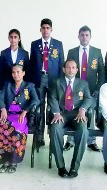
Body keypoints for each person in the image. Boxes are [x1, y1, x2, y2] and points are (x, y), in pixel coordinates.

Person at [0, 64, 40, 173]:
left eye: (18, 72)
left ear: (23, 73)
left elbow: (36, 101)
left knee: (15, 133)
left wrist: (25, 111)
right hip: (8, 115)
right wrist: (3, 108)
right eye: (13, 72)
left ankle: (13, 162)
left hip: (20, 116)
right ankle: (5, 161)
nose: (16, 74)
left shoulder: (29, 86)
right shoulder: (8, 85)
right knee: (2, 130)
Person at [63, 25, 105, 152]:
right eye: (82, 35)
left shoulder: (97, 52)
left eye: (87, 35)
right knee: (72, 110)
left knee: (90, 112)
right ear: (78, 37)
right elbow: (67, 70)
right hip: (74, 89)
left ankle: (91, 141)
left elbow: (101, 71)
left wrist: (98, 88)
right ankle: (70, 141)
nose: (84, 37)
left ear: (90, 37)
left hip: (91, 89)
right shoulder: (72, 52)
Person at [49, 59, 92, 178]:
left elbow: (89, 99)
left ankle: (74, 167)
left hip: (77, 113)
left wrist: (82, 110)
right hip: (61, 113)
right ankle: (61, 167)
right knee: (55, 129)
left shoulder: (83, 83)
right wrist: (56, 113)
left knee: (83, 130)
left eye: (73, 67)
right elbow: (52, 98)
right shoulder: (56, 82)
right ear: (64, 69)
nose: (71, 70)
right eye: (68, 67)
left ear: (77, 70)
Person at [29, 18, 64, 146]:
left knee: (53, 107)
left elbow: (61, 64)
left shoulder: (58, 44)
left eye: (48, 28)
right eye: (43, 28)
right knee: (40, 108)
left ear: (51, 30)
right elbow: (32, 64)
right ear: (40, 29)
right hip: (39, 79)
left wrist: (61, 82)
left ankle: (53, 137)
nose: (45, 30)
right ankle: (39, 137)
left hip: (54, 80)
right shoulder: (34, 44)